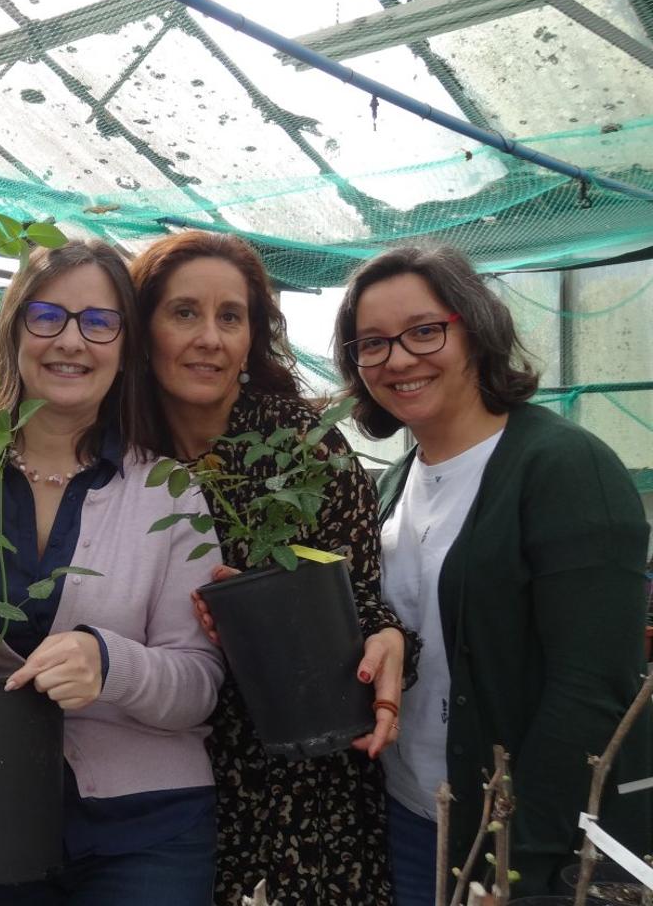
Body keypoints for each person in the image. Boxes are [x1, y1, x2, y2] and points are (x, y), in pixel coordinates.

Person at [333, 245, 651, 901]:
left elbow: (592, 687)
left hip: (519, 839)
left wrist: (514, 853)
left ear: (474, 328)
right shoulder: (393, 484)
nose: (398, 358)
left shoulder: (563, 469)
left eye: (424, 331)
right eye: (372, 343)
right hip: (413, 815)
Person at [0, 240, 227, 905]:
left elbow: (199, 682)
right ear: (13, 330)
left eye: (99, 321)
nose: (72, 341)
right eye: (47, 316)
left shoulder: (168, 493)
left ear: (125, 345)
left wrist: (109, 663)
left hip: (149, 826)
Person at [129, 230, 416, 906]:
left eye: (231, 317)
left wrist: (386, 641)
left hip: (305, 786)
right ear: (143, 330)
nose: (210, 338)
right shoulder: (121, 458)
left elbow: (362, 600)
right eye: (184, 313)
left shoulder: (305, 451)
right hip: (161, 777)